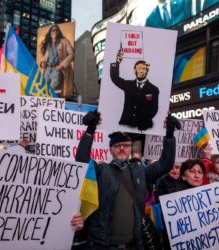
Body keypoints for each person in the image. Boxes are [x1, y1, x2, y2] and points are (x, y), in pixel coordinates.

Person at [75, 110, 181, 249]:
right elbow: (82, 160)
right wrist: (90, 130)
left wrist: (169, 134)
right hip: (102, 245)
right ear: (111, 149)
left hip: (134, 245)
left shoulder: (141, 171)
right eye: (117, 146)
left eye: (126, 145)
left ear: (130, 148)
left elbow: (165, 164)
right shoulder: (101, 170)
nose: (122, 149)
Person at [156, 159, 206, 250]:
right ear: (183, 176)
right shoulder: (173, 195)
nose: (197, 175)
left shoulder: (206, 194)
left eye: (200, 172)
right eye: (192, 171)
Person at [110, 51, 159, 131]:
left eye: (144, 69)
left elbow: (154, 109)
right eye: (139, 68)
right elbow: (115, 78)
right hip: (126, 125)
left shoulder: (153, 89)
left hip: (144, 128)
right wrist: (117, 62)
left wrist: (142, 123)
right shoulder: (128, 85)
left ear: (147, 71)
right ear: (135, 70)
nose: (141, 71)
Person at [40, 24, 74, 96]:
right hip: (48, 70)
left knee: (52, 90)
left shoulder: (64, 41)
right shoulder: (49, 45)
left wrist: (62, 65)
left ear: (58, 32)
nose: (54, 32)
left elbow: (71, 54)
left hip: (57, 70)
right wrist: (42, 63)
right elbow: (45, 57)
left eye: (56, 30)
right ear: (50, 33)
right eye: (52, 30)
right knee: (44, 90)